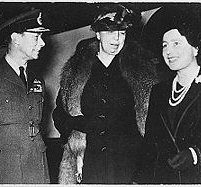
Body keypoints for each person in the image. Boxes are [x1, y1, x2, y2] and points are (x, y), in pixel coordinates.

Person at [52, 3, 159, 184]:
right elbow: (60, 114)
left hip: (128, 164)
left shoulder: (141, 71)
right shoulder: (76, 70)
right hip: (88, 161)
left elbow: (152, 122)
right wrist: (80, 124)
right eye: (110, 31)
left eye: (122, 32)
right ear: (97, 33)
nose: (117, 38)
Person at [134, 3, 201, 184]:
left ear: (195, 48)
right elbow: (150, 145)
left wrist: (194, 154)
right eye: (164, 45)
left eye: (176, 43)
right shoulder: (158, 91)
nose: (169, 51)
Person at [0, 9, 50, 184]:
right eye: (36, 37)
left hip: (37, 168)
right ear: (16, 38)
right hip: (3, 171)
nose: (42, 43)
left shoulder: (38, 81)